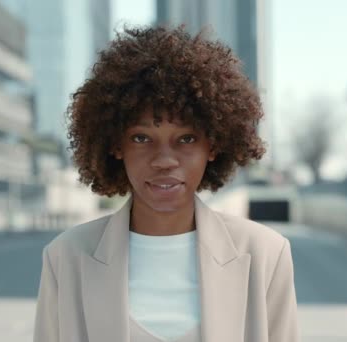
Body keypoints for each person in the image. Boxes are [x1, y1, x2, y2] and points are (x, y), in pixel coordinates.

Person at [33, 25, 298, 342]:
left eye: (186, 139)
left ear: (212, 146)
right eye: (141, 138)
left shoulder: (266, 254)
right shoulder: (66, 257)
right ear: (117, 145)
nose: (164, 160)